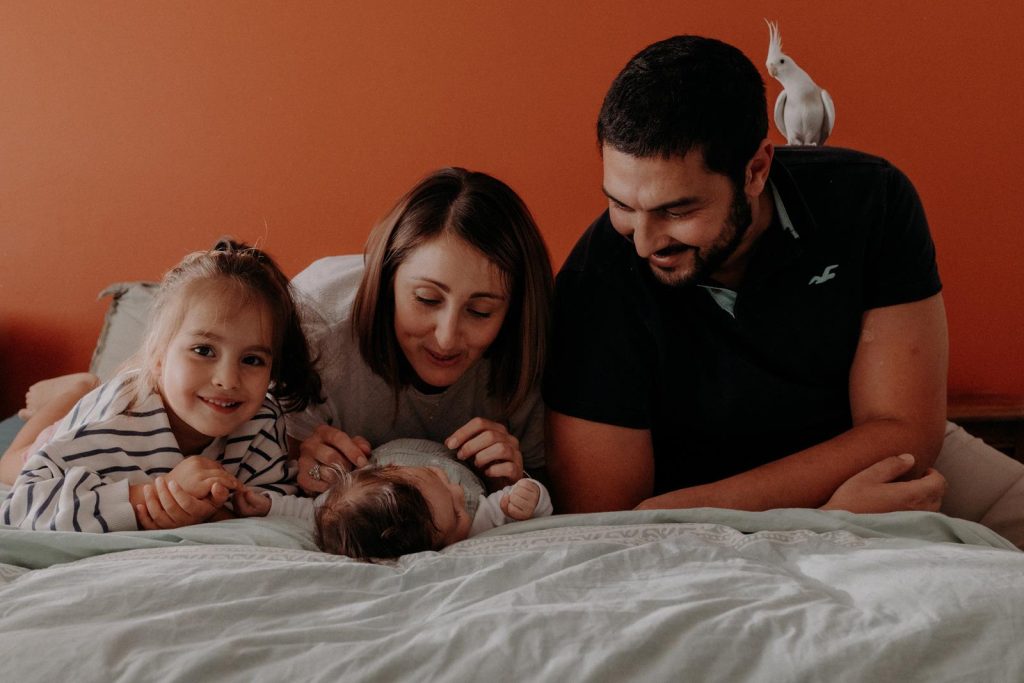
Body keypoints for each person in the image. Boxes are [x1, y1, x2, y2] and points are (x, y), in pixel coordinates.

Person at [544, 34, 1024, 543]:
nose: (643, 243)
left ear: (755, 170)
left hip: (871, 458)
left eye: (677, 210)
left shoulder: (870, 199)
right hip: (709, 504)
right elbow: (619, 529)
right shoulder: (593, 283)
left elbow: (904, 429)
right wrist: (821, 521)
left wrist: (812, 507)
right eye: (621, 205)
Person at [0, 239, 322, 532]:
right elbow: (21, 503)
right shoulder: (118, 418)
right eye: (204, 351)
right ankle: (79, 389)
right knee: (11, 465)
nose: (227, 380)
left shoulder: (261, 419)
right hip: (71, 435)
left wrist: (230, 511)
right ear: (157, 357)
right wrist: (147, 498)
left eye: (252, 360)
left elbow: (276, 499)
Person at [288, 167, 553, 496]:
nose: (446, 338)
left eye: (480, 311)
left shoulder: (536, 345)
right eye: (427, 299)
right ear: (387, 280)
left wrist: (514, 483)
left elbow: (555, 497)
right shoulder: (315, 325)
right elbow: (262, 471)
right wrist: (298, 464)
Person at [235, 438, 553, 559]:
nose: (457, 491)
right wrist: (530, 496)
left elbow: (305, 509)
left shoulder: (340, 498)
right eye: (456, 515)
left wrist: (269, 505)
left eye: (438, 477)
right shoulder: (474, 522)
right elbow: (516, 508)